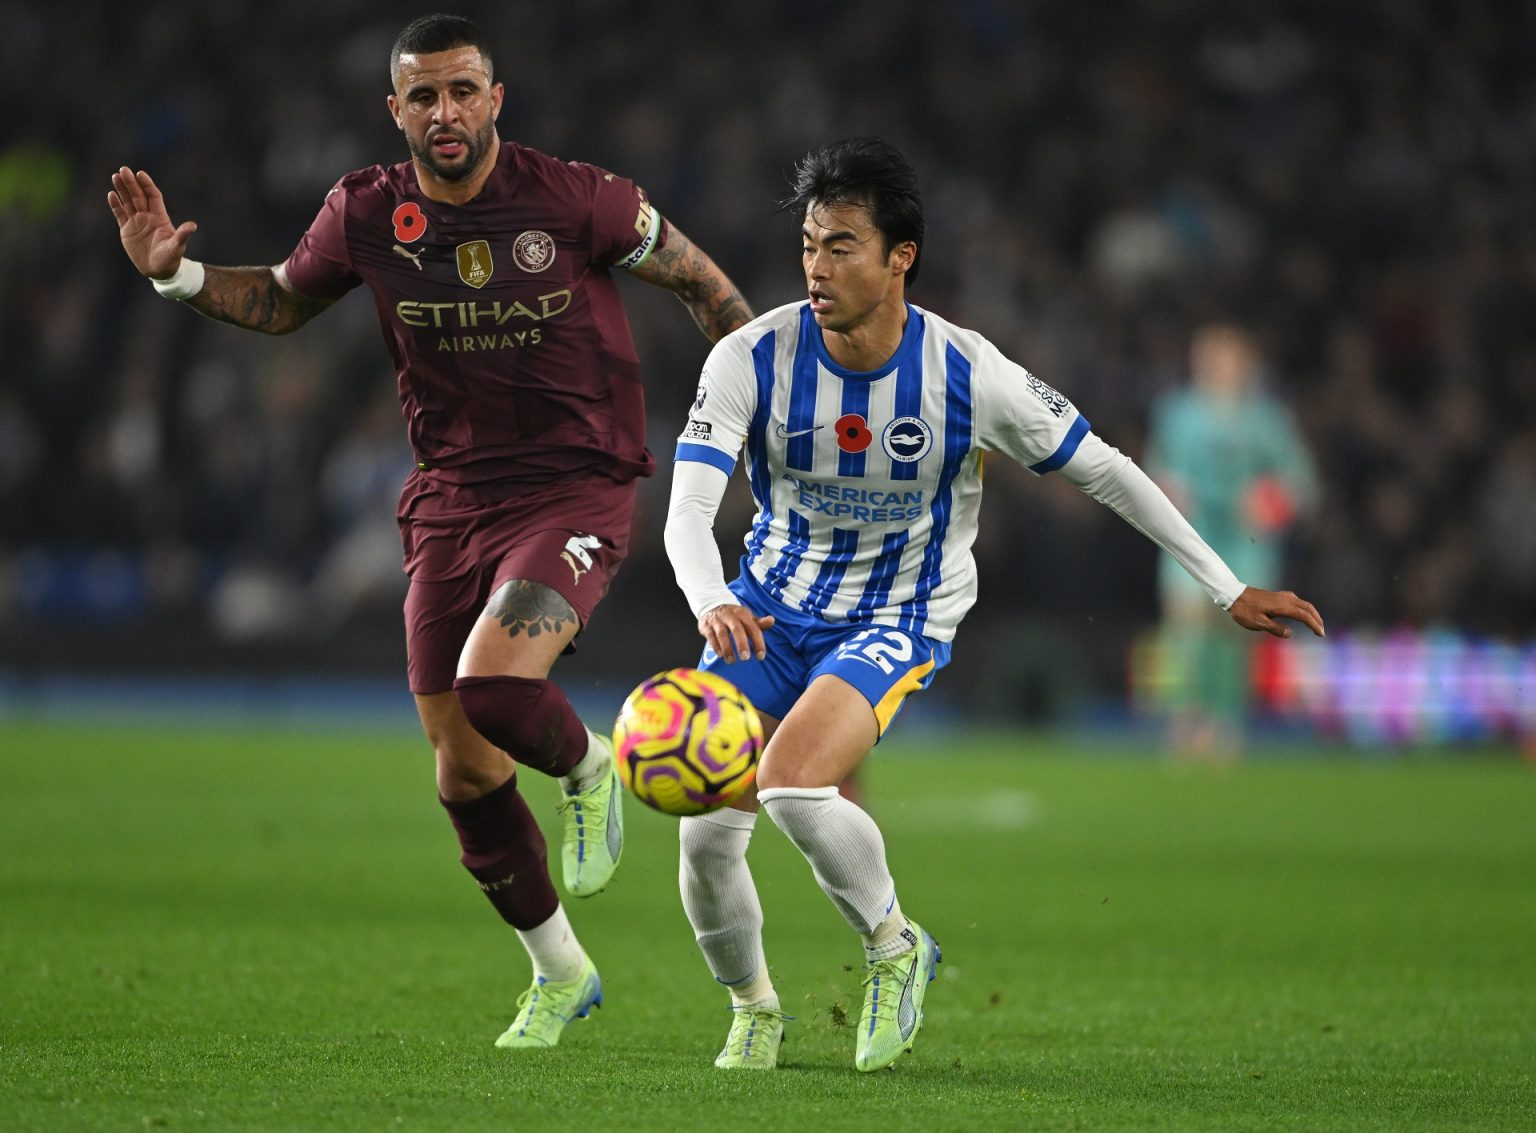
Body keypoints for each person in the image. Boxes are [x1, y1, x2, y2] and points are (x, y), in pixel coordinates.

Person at [108, 13, 752, 1049]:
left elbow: (704, 285)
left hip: (576, 484)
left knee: (496, 686)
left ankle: (589, 767)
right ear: (396, 110)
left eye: (461, 91)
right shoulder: (366, 210)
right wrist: (174, 275)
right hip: (450, 496)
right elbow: (283, 301)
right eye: (423, 96)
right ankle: (560, 971)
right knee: (461, 765)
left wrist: (761, 424)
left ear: (495, 100)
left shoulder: (579, 197)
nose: (444, 112)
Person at [661, 137, 1324, 1072]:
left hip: (897, 614)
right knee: (703, 835)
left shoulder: (969, 373)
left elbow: (1106, 470)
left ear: (901, 257)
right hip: (764, 611)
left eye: (842, 246)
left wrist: (1227, 586)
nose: (817, 266)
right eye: (809, 244)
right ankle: (754, 1008)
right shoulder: (750, 357)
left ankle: (895, 947)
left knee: (791, 783)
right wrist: (709, 599)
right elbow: (686, 511)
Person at [1143, 323, 1318, 762]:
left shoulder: (1264, 419)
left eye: (1226, 358)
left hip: (1244, 540)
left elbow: (1301, 481)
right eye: (1209, 357)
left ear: (1243, 364)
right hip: (1191, 535)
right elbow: (1151, 471)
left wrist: (1269, 501)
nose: (1217, 366)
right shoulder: (1177, 414)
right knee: (1185, 626)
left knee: (1233, 632)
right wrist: (1167, 490)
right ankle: (1184, 720)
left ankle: (1224, 724)